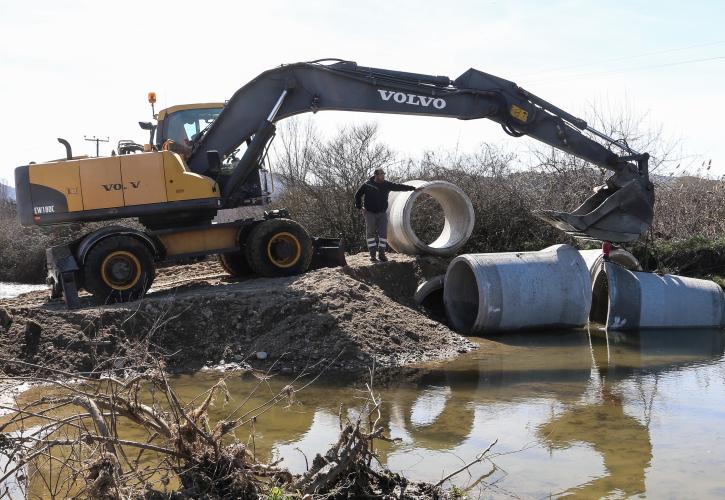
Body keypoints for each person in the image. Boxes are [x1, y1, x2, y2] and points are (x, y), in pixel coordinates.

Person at [354, 169, 421, 262]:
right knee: (370, 234)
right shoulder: (367, 184)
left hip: (382, 213)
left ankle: (382, 254)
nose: (383, 176)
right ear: (376, 175)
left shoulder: (386, 184)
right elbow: (357, 195)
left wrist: (413, 188)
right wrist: (360, 207)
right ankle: (372, 255)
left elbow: (399, 186)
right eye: (381, 174)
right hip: (370, 213)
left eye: (384, 174)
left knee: (383, 234)